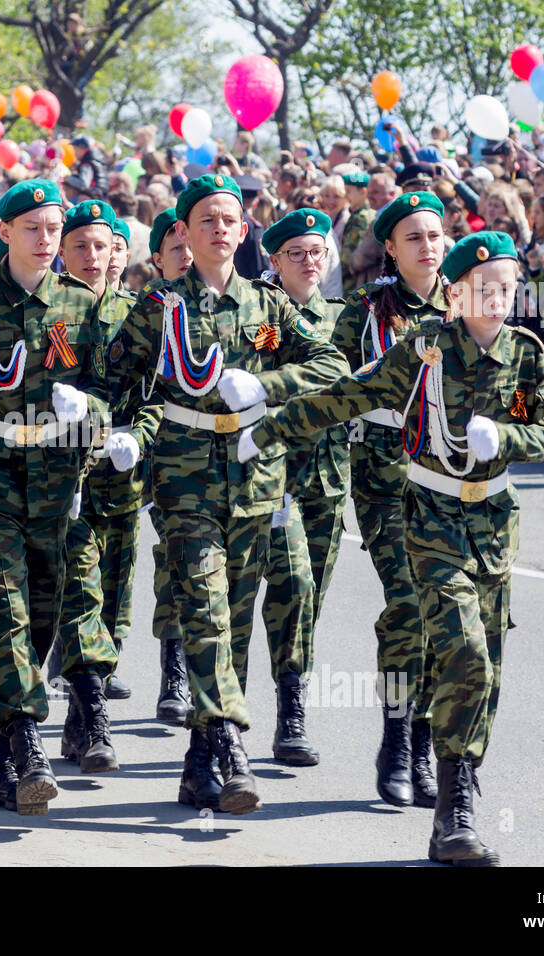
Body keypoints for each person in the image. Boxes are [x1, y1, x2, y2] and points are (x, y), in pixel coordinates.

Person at [244, 231, 544, 865]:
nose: (497, 299)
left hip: (496, 529)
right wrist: (271, 428)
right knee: (464, 652)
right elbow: (349, 396)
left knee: (487, 673)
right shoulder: (423, 353)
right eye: (483, 289)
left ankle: (456, 790)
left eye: (506, 288)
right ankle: (454, 806)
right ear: (455, 294)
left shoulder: (527, 356)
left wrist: (504, 437)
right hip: (429, 523)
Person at [107, 174, 346, 814]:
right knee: (207, 611)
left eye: (230, 219)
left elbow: (331, 366)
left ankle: (197, 761)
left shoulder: (268, 307)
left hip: (256, 477)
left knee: (233, 622)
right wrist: (122, 430)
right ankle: (232, 747)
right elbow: (116, 378)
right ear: (182, 231)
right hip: (185, 481)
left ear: (245, 232)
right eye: (205, 219)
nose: (219, 228)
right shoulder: (161, 308)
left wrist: (268, 384)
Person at [0, 179, 110, 815]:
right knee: (3, 601)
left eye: (52, 228)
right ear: (3, 233)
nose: (44, 239)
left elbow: (110, 391)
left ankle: (6, 757)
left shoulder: (82, 305)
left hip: (57, 474)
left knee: (40, 612)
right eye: (30, 227)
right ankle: (30, 740)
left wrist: (91, 407)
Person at [333, 192, 448, 808]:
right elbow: (328, 386)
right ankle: (397, 740)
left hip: (457, 492)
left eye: (434, 236)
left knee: (445, 618)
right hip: (387, 486)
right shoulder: (364, 314)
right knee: (408, 605)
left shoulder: (473, 306)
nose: (427, 248)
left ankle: (426, 741)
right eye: (413, 238)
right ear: (392, 249)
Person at [54, 202, 145, 773]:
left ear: (121, 253)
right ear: (63, 252)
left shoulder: (139, 316)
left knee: (114, 603)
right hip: (63, 478)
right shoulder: (50, 315)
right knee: (79, 592)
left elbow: (162, 394)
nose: (94, 257)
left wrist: (140, 434)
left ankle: (77, 718)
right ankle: (93, 718)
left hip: (123, 477)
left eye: (104, 246)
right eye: (81, 246)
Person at [255, 208, 348, 765]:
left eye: (318, 252)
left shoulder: (345, 315)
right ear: (275, 260)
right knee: (291, 587)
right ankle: (289, 711)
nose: (310, 263)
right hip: (276, 474)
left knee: (312, 596)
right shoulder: (267, 317)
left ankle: (292, 693)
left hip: (330, 476)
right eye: (297, 253)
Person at [144, 207, 193, 724]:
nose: (186, 256)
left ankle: (186, 674)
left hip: (208, 460)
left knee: (190, 564)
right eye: (176, 249)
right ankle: (174, 669)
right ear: (158, 259)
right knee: (169, 558)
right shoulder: (151, 309)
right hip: (155, 452)